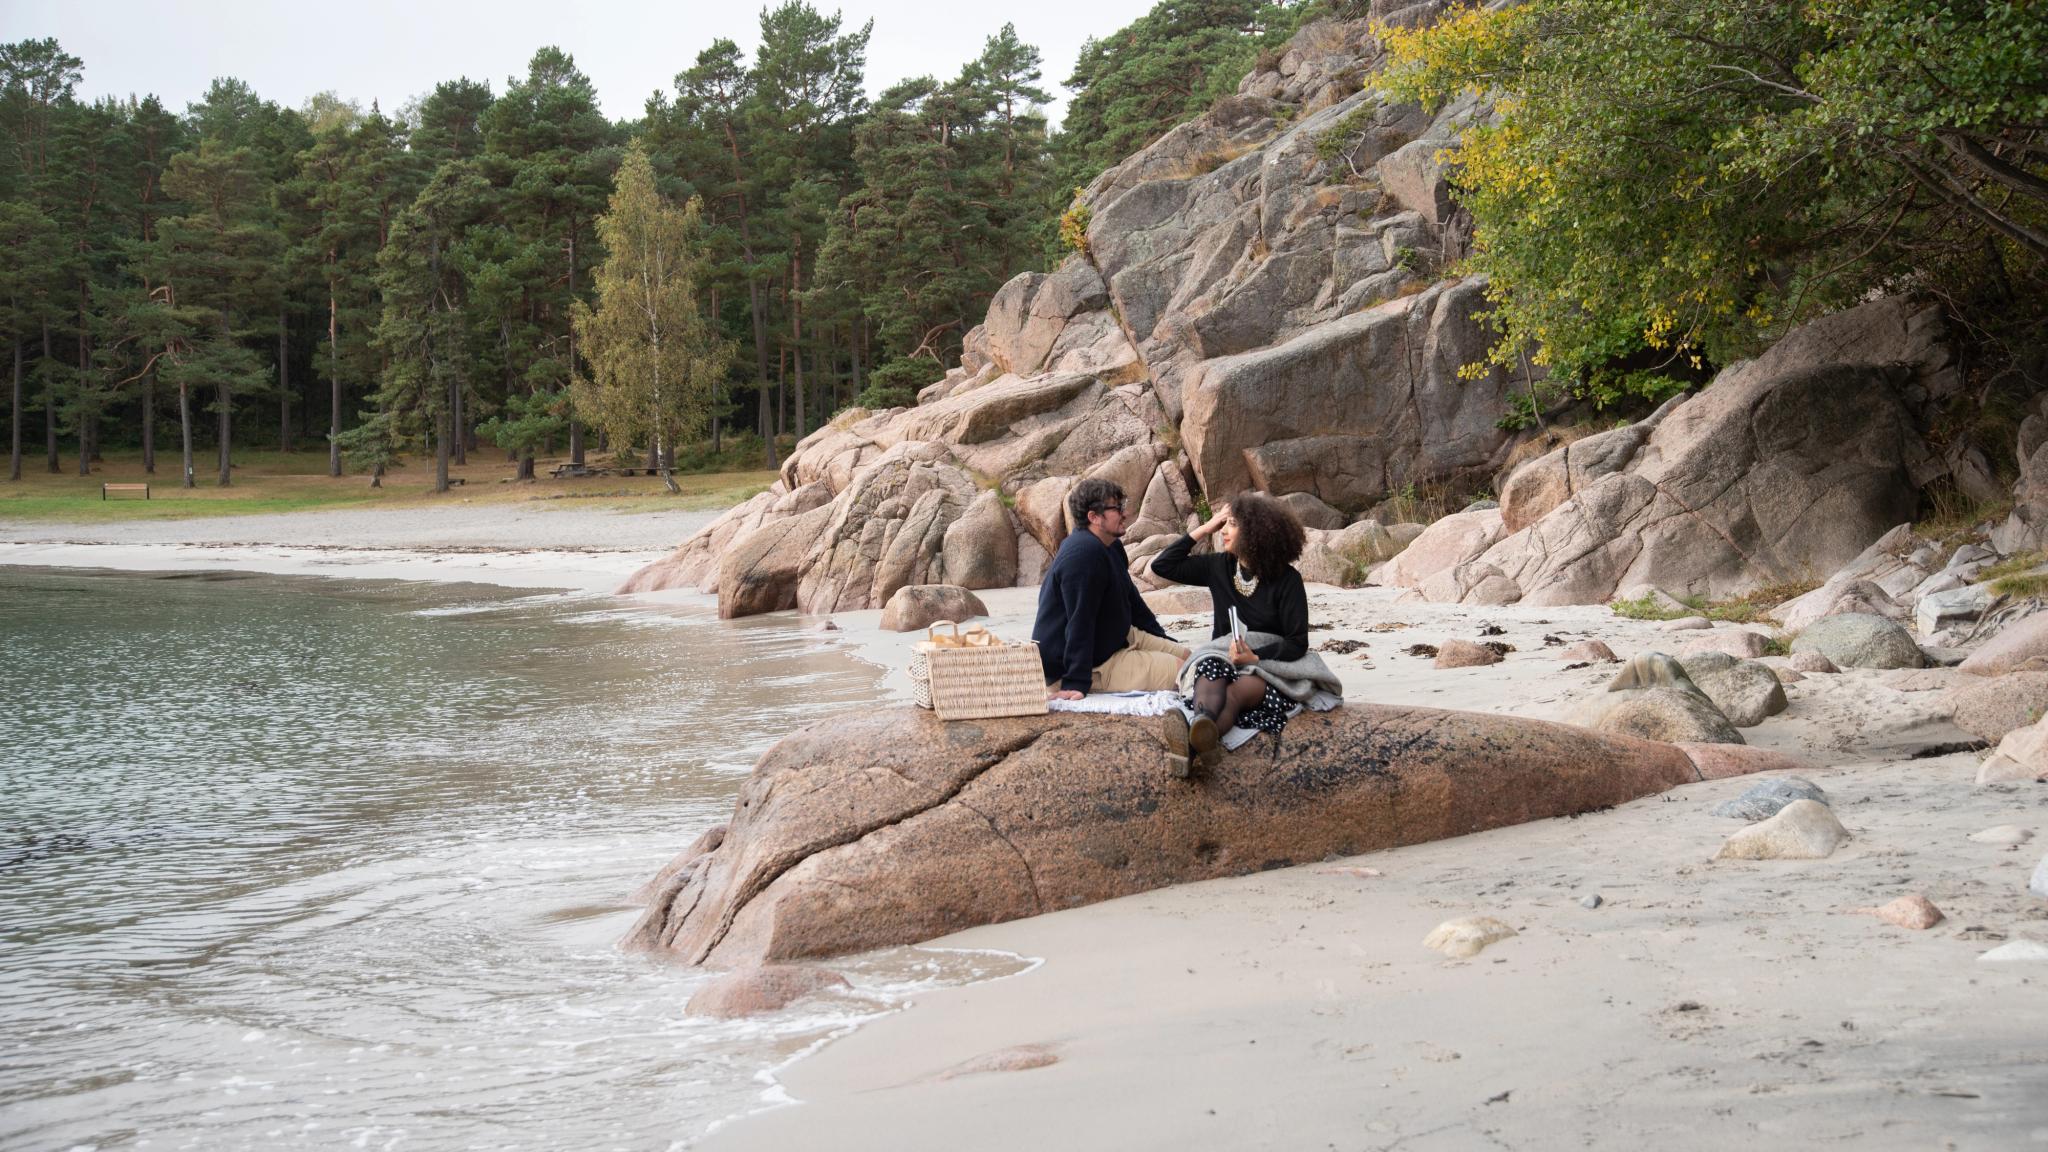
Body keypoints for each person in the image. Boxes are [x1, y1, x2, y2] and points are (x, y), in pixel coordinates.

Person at [1148, 493, 1311, 774]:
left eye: (1231, 524)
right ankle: (1202, 728)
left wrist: (1255, 656)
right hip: (1224, 658)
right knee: (1210, 669)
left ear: (1254, 532)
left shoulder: (1287, 580)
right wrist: (1207, 526)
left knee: (1234, 694)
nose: (1223, 531)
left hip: (1266, 667)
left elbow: (1298, 643)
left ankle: (1190, 746)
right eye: (1223, 524)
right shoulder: (1219, 567)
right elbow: (1163, 565)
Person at [1032, 477, 1190, 699]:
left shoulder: (1110, 545)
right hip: (1086, 664)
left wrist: (1160, 640)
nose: (1124, 513)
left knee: (1191, 658)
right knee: (1189, 672)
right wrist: (1075, 682)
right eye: (1117, 508)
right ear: (1094, 517)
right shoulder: (1082, 555)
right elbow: (1080, 620)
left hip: (1115, 637)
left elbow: (1133, 601)